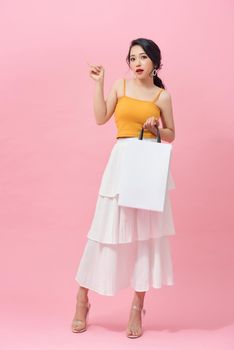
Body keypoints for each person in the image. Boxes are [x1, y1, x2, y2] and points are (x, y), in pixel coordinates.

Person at [71, 38, 176, 338]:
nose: (137, 63)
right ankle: (82, 300)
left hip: (147, 166)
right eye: (132, 58)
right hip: (121, 163)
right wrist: (99, 83)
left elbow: (171, 134)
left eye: (143, 57)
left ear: (155, 62)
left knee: (145, 236)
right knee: (103, 232)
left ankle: (136, 307)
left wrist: (157, 128)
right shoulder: (121, 86)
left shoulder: (162, 96)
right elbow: (101, 117)